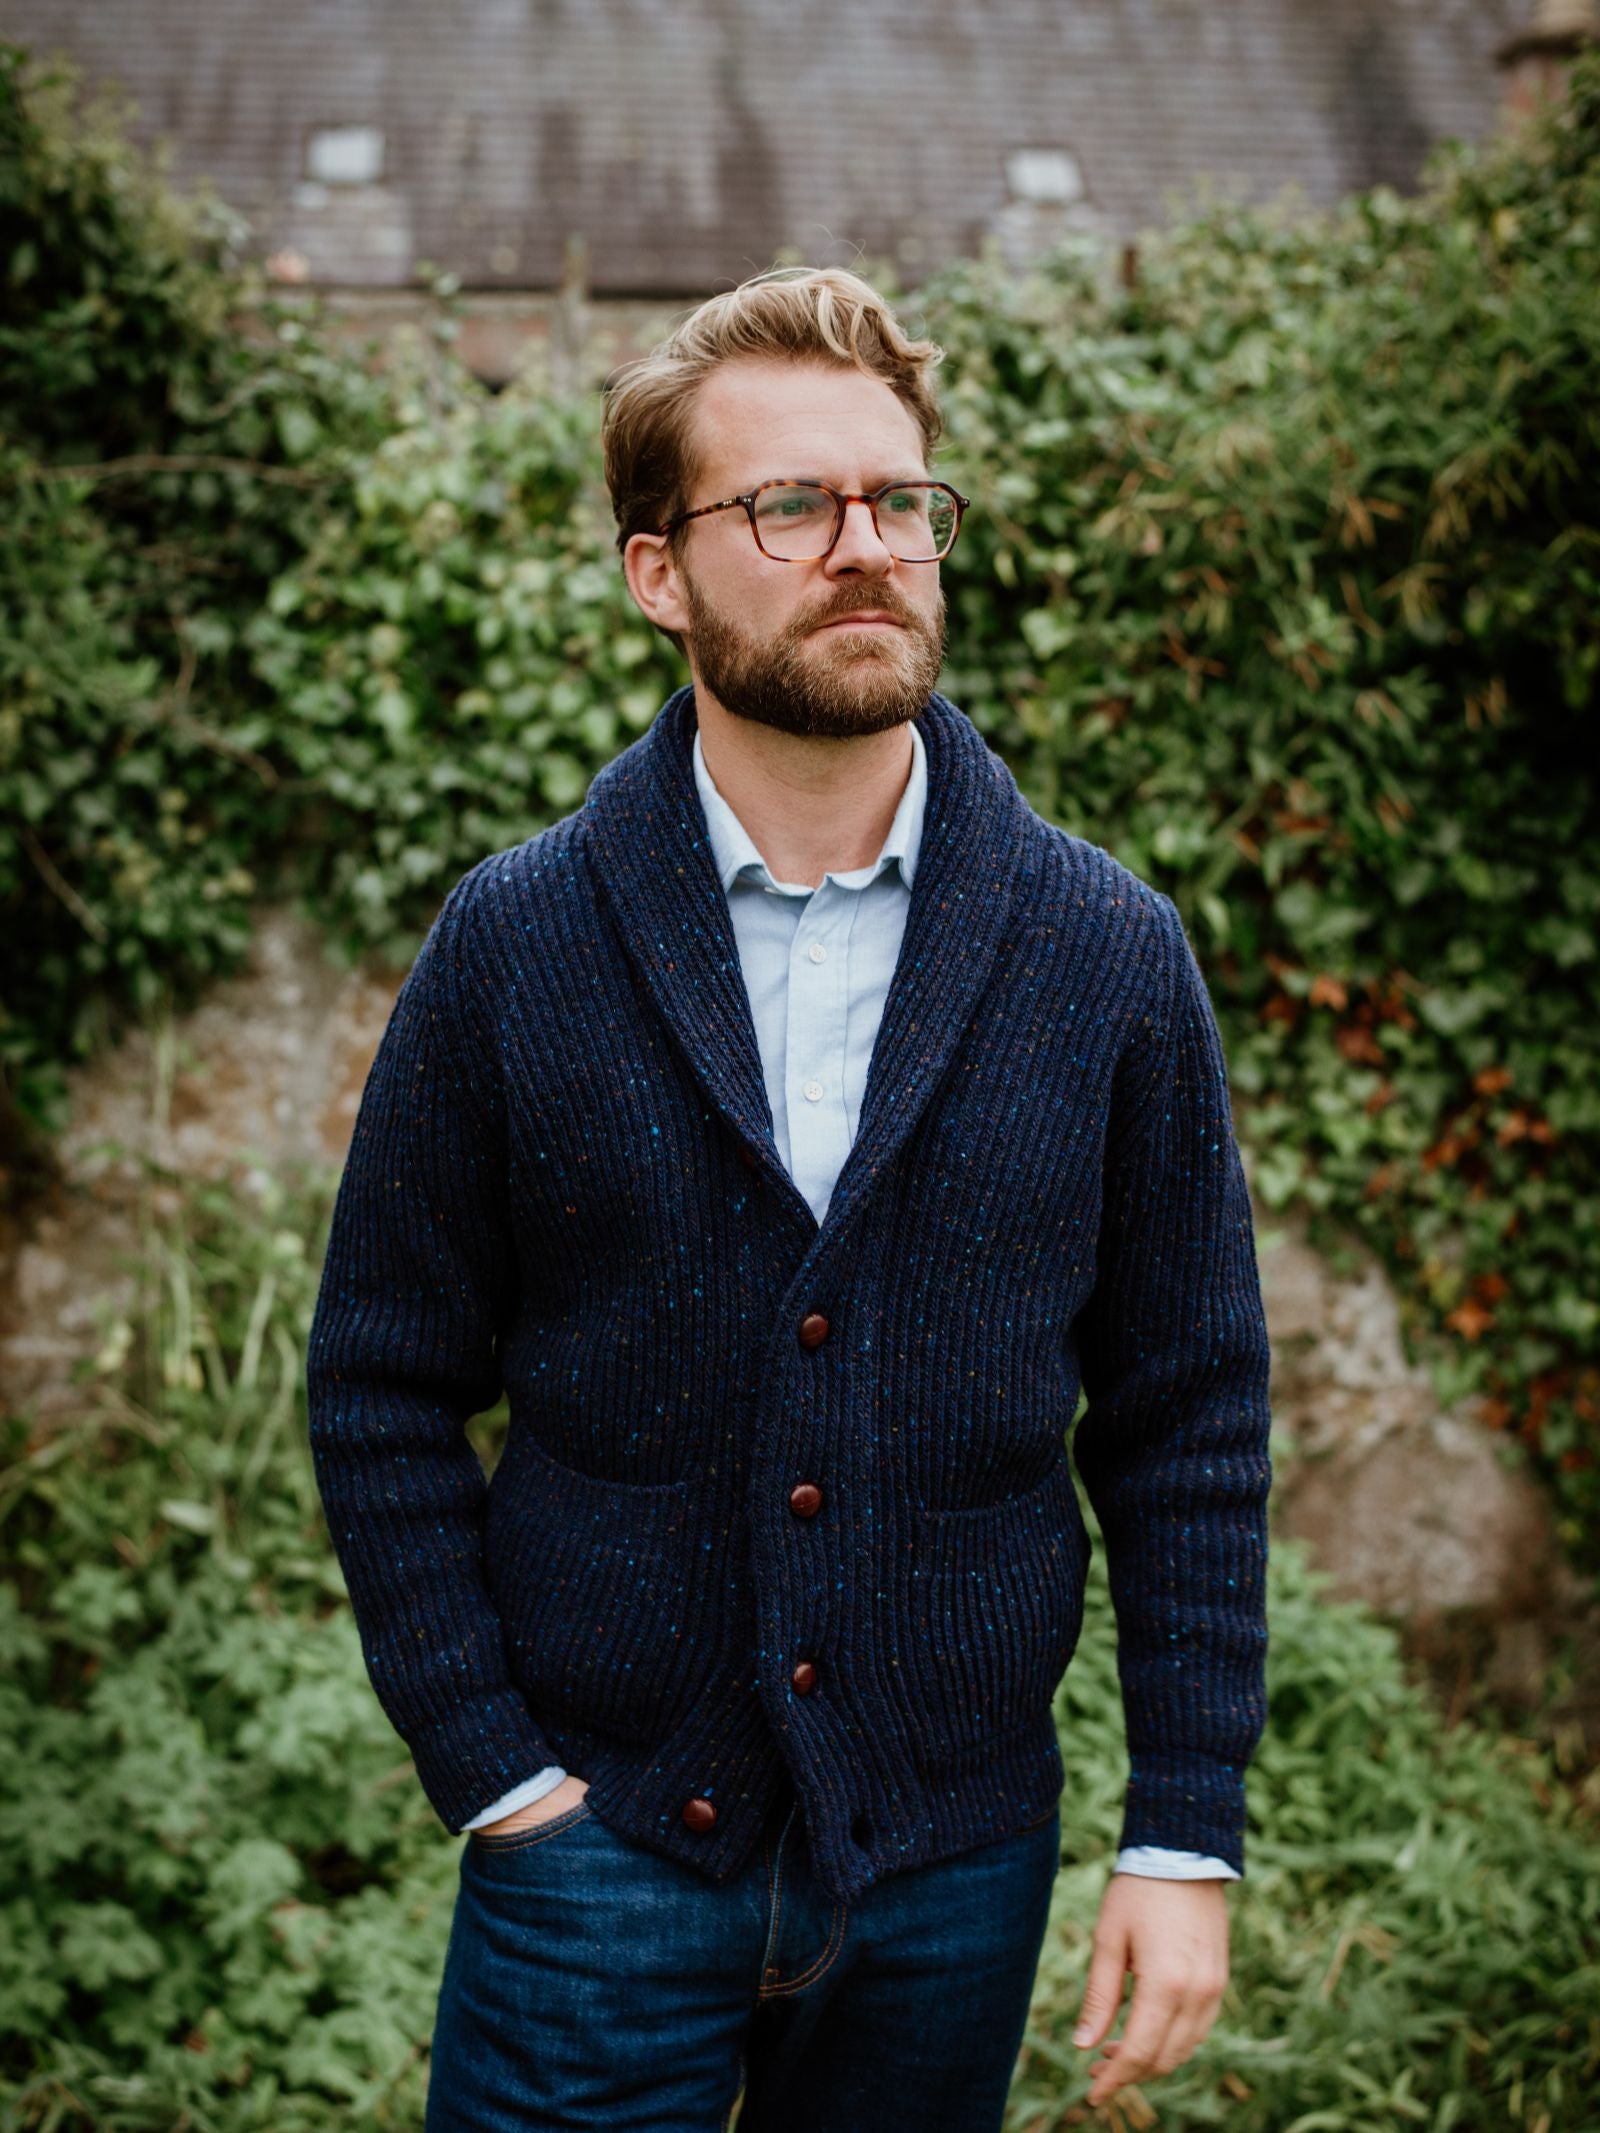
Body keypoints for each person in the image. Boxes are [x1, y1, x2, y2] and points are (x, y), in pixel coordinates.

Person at [306, 264, 1272, 2132]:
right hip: (592, 1866)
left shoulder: (1106, 953)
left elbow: (1190, 1415)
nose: (866, 549)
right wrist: (495, 1774)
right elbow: (380, 1380)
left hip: (952, 1867)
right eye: (792, 506)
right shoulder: (516, 945)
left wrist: (1185, 1831)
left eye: (900, 502)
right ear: (657, 571)